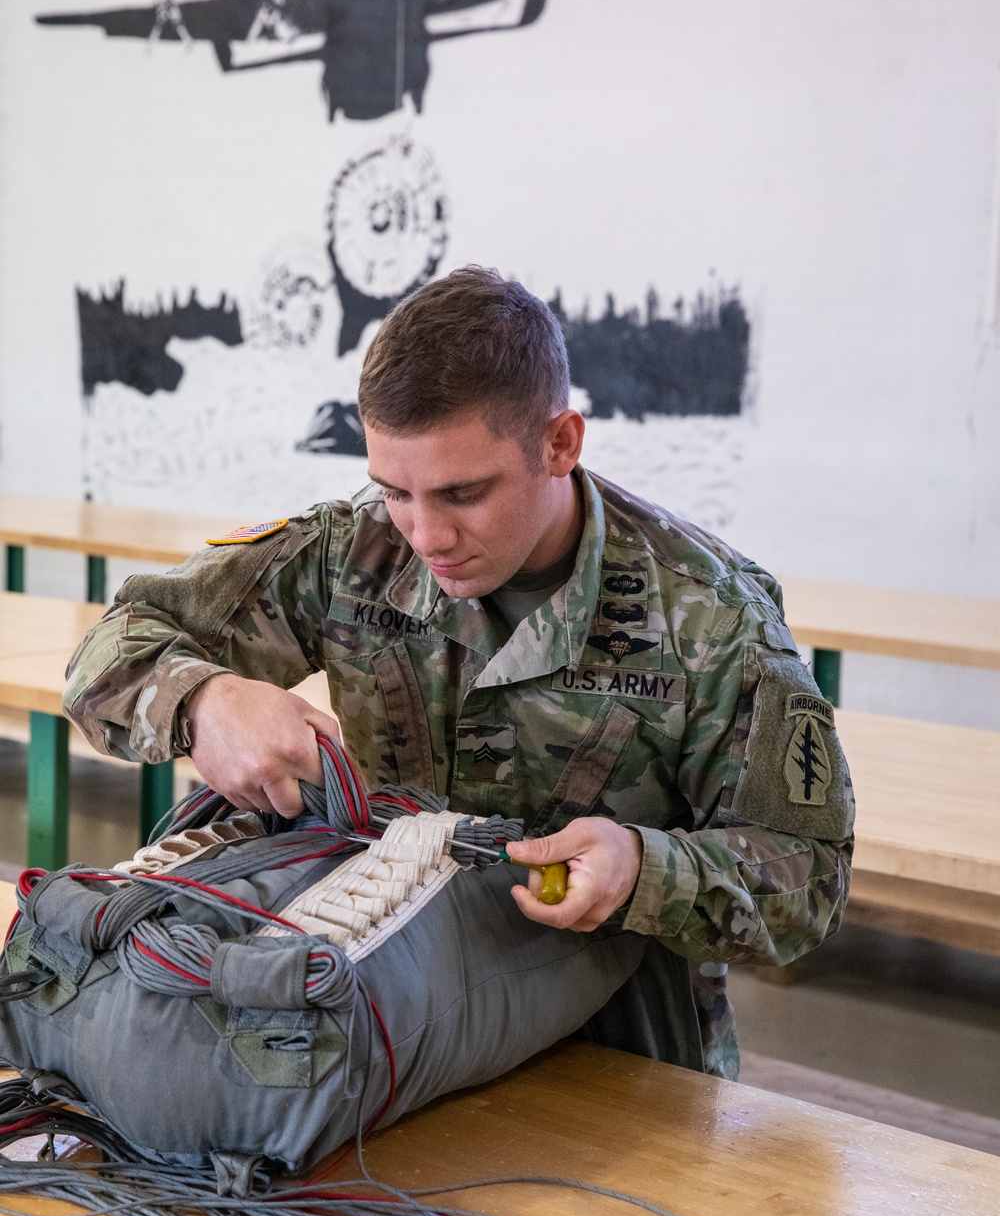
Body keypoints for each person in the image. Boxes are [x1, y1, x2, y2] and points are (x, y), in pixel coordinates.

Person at [64, 265, 853, 1080]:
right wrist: (205, 700)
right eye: (394, 491)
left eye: (462, 493)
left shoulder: (709, 617)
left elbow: (810, 875)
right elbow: (116, 643)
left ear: (560, 443)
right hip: (382, 1021)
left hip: (612, 1057)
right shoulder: (353, 551)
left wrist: (643, 870)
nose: (424, 535)